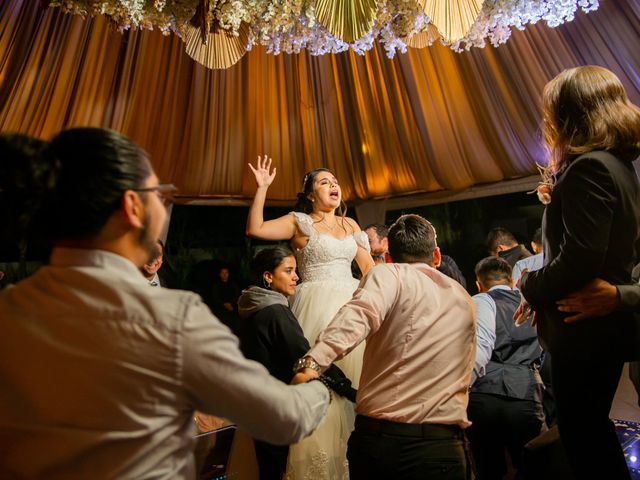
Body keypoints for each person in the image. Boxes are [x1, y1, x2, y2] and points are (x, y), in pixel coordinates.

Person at [0, 129, 330, 479]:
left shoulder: (9, 312)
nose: (164, 203)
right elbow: (284, 419)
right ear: (132, 206)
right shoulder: (172, 317)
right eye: (160, 194)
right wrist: (316, 378)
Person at [519, 66, 640, 480]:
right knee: (591, 434)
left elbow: (581, 257)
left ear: (569, 114)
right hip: (596, 325)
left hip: (584, 327)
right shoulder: (618, 166)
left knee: (585, 438)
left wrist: (529, 284)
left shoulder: (590, 168)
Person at [294, 214, 476, 480]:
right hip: (445, 444)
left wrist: (312, 362)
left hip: (386, 443)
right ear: (436, 256)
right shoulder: (462, 296)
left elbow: (357, 316)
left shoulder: (388, 274)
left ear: (389, 258)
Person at [246, 156, 374, 479]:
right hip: (314, 308)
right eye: (324, 182)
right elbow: (256, 228)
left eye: (335, 182)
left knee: (356, 387)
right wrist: (261, 189)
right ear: (310, 194)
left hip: (351, 304)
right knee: (320, 384)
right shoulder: (300, 222)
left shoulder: (351, 226)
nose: (333, 186)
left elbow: (371, 270)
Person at [238, 246, 357, 479]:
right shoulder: (276, 312)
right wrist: (346, 387)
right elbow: (305, 357)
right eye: (289, 271)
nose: (296, 277)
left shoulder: (251, 305)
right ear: (268, 276)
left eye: (296, 271)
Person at [468, 257, 544, 479]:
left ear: (479, 284)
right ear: (512, 281)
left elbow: (477, 348)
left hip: (485, 393)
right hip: (525, 392)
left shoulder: (479, 300)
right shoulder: (531, 303)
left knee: (488, 468)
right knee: (532, 467)